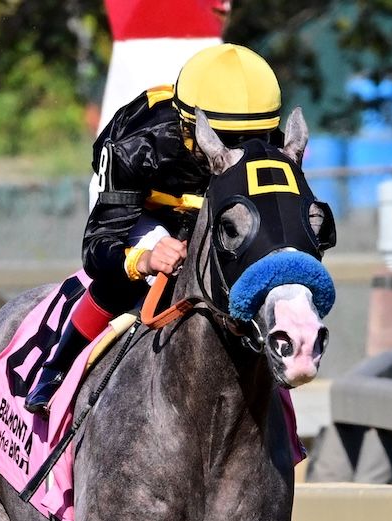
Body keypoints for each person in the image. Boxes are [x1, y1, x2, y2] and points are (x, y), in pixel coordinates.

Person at [23, 42, 285, 414]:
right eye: (225, 141)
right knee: (138, 274)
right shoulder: (136, 147)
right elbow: (98, 247)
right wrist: (143, 260)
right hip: (147, 202)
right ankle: (56, 368)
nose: (236, 154)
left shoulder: (267, 142)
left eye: (250, 141)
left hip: (211, 205)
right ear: (188, 126)